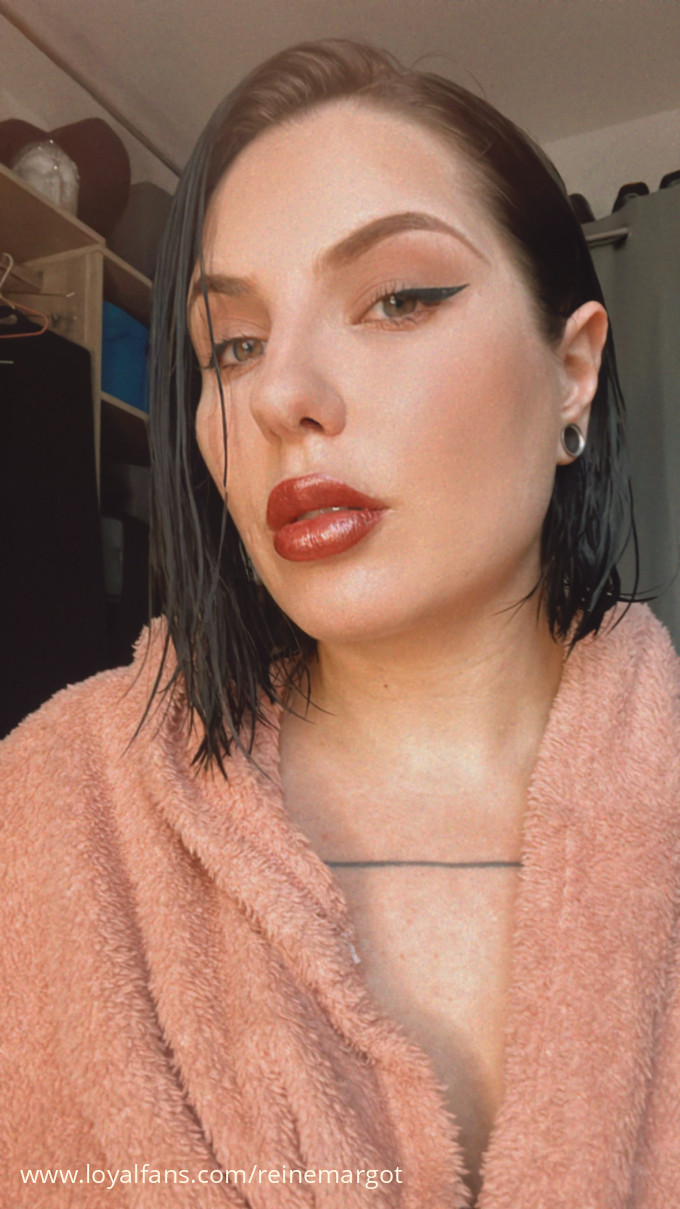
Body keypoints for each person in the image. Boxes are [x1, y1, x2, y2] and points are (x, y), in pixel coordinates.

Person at [1, 38, 679, 1209]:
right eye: (232, 346)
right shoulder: (51, 810)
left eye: (398, 299)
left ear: (570, 372)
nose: (278, 394)